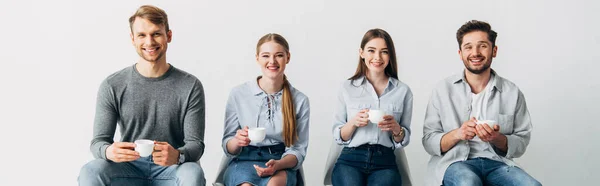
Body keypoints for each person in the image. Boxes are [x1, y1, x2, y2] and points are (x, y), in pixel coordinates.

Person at [78, 5, 206, 186]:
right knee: (90, 171)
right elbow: (98, 142)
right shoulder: (112, 85)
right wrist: (108, 152)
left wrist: (178, 155)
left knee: (193, 172)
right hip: (127, 168)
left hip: (171, 168)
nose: (149, 42)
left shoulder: (190, 85)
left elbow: (196, 145)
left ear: (168, 36)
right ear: (132, 39)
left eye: (156, 34)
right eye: (141, 35)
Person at [422, 20, 542, 186]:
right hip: (456, 163)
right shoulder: (442, 90)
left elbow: (521, 141)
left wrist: (496, 138)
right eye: (468, 47)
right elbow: (429, 141)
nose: (475, 52)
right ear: (460, 53)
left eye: (482, 45)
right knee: (468, 182)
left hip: (497, 164)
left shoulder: (512, 92)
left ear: (494, 51)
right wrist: (458, 134)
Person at [221, 33, 310, 186]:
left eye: (279, 55)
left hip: (281, 161)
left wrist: (279, 164)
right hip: (243, 160)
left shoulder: (300, 100)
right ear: (257, 58)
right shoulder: (238, 94)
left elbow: (298, 151)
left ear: (288, 57)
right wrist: (237, 140)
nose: (272, 61)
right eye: (265, 56)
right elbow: (228, 145)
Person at [331, 28, 413, 186]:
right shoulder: (347, 88)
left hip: (385, 161)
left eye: (384, 52)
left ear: (390, 56)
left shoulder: (403, 91)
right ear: (361, 53)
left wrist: (396, 129)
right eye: (371, 51)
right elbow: (339, 135)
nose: (377, 57)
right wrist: (353, 122)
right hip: (351, 159)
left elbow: (403, 139)